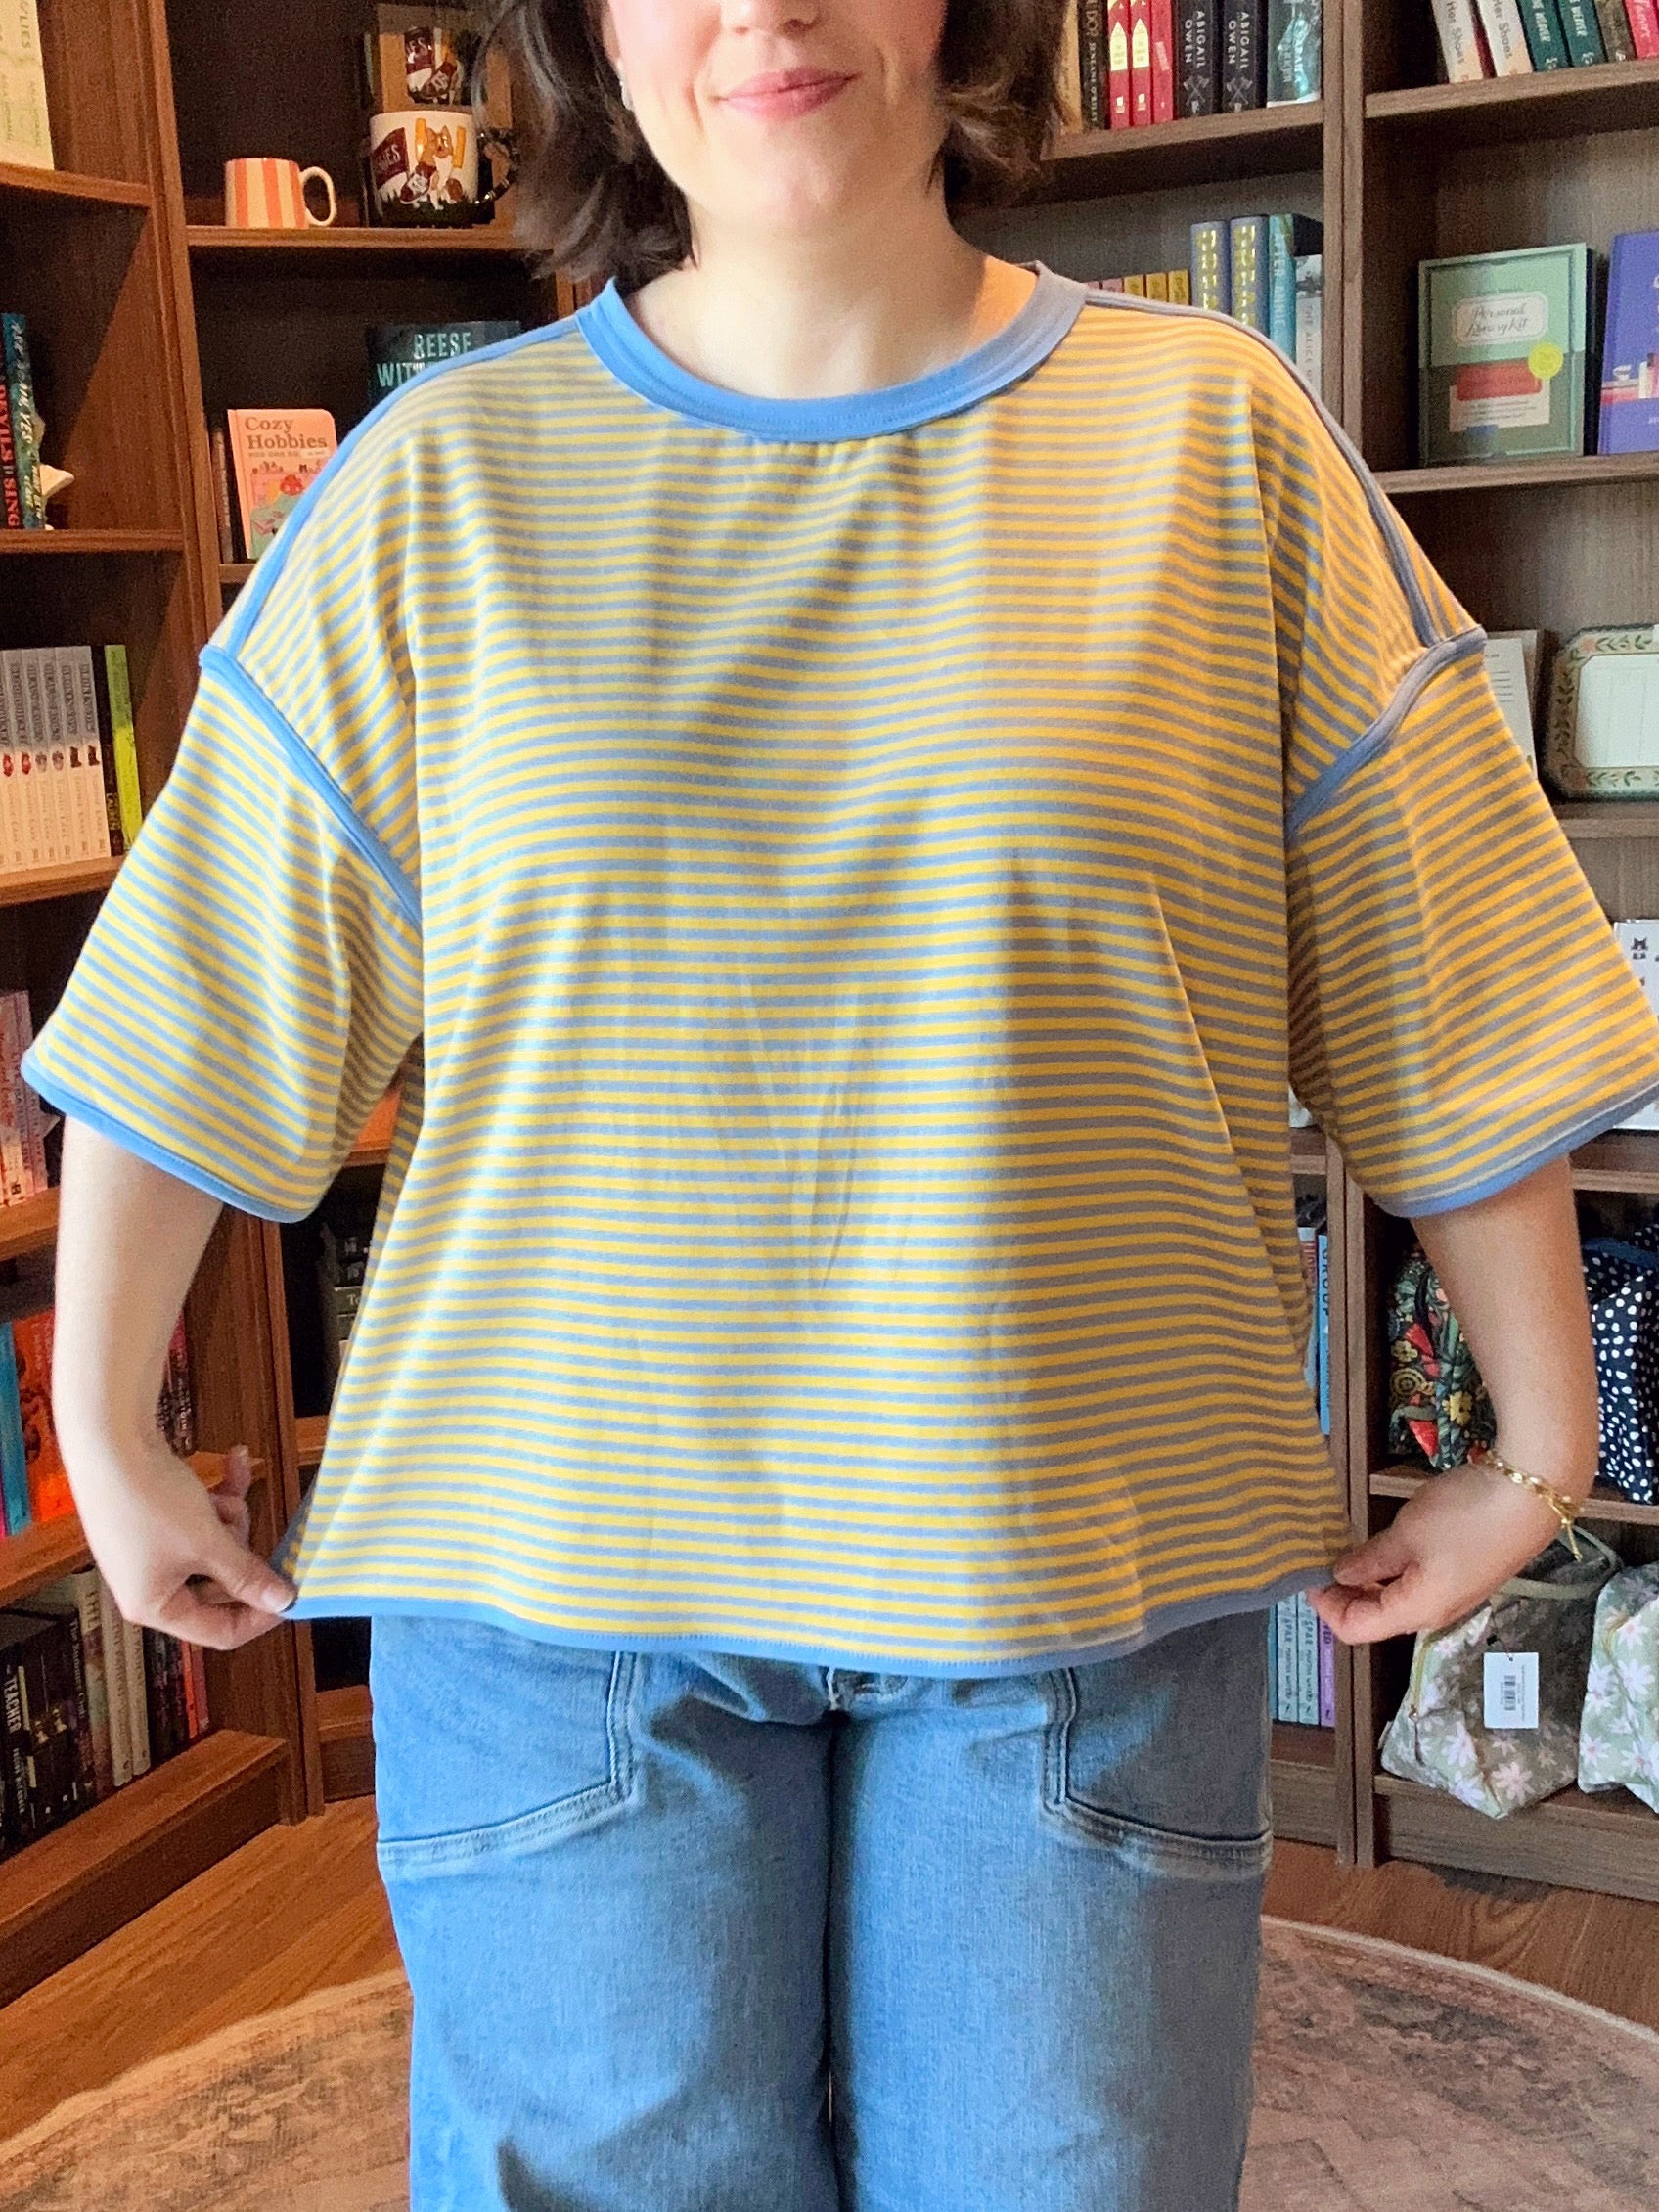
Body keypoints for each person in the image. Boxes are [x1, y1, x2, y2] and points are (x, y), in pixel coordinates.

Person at [30, 2, 1659, 2206]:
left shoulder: (1215, 443)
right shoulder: (437, 486)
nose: (766, 11)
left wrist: (1541, 1445)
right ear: (594, 41)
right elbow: (211, 979)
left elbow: (1445, 973)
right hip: (558, 1583)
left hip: (1070, 1560)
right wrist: (102, 1423)